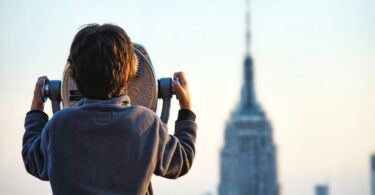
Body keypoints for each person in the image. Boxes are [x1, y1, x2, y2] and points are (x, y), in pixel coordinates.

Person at [22, 24, 197, 195]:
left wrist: (36, 109)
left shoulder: (59, 125)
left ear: (73, 75)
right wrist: (186, 110)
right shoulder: (147, 123)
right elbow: (182, 160)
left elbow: (32, 160)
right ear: (131, 72)